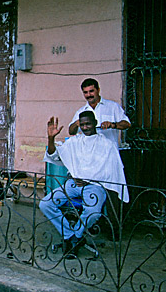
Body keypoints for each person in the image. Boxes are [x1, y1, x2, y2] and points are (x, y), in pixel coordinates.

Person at [40, 112, 129, 258]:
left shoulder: (107, 144)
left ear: (95, 122)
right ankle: (72, 236)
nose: (85, 127)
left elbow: (111, 171)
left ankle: (74, 237)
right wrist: (51, 138)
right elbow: (54, 155)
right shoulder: (75, 142)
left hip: (95, 186)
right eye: (82, 125)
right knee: (45, 204)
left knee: (93, 211)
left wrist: (89, 180)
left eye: (88, 124)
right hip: (73, 185)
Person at [69, 78, 131, 147]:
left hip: (110, 151)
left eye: (91, 91)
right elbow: (71, 132)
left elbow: (127, 124)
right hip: (89, 153)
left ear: (98, 90)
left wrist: (112, 125)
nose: (89, 95)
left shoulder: (113, 106)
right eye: (85, 92)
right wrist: (76, 124)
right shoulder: (81, 111)